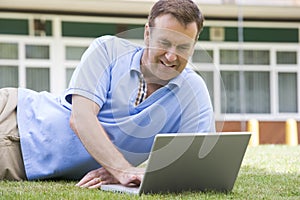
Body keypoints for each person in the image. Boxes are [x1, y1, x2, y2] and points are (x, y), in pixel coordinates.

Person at [0, 0, 215, 189]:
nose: (171, 56)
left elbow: (196, 164)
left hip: (19, 158)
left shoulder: (194, 90)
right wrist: (121, 169)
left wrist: (137, 173)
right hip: (13, 113)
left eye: (183, 47)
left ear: (194, 46)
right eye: (164, 42)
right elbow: (81, 117)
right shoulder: (107, 50)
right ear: (148, 34)